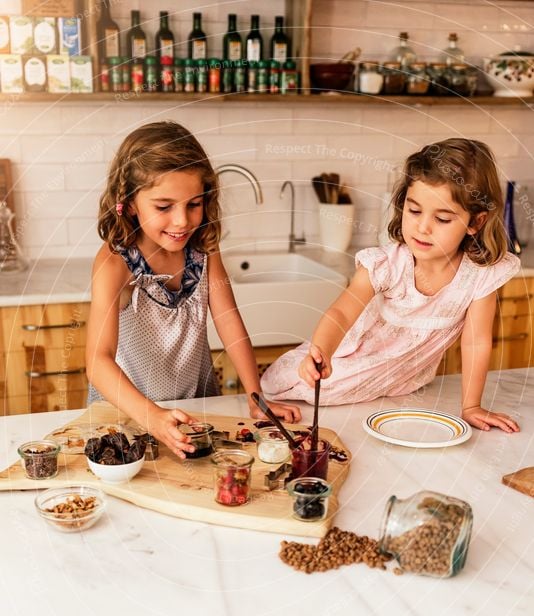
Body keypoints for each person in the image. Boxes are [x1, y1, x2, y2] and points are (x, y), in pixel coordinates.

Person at [262, 138, 521, 433]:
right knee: (288, 383)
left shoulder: (480, 276)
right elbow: (342, 314)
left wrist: (471, 406)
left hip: (402, 381)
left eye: (443, 218)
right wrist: (322, 353)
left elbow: (476, 342)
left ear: (475, 222)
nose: (423, 228)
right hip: (351, 361)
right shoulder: (388, 264)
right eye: (414, 211)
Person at [86, 121, 300, 457]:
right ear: (127, 202)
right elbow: (97, 361)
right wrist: (152, 417)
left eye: (194, 204)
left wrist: (256, 398)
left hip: (195, 407)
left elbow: (229, 320)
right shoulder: (115, 264)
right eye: (164, 207)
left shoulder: (203, 249)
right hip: (126, 417)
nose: (182, 221)